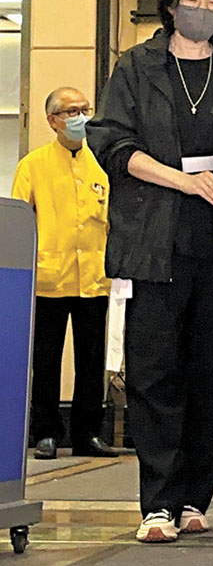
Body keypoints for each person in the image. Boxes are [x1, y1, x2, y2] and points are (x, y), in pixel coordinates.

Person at [86, 0, 213, 543]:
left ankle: (197, 495)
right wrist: (184, 180)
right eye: (191, 1)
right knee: (155, 372)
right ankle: (158, 502)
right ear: (169, 4)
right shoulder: (137, 66)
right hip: (155, 239)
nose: (201, 11)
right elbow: (112, 145)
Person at [11, 87, 117, 461]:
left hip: (93, 277)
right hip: (48, 279)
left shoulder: (102, 163)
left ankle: (88, 433)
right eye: (71, 111)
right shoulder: (33, 165)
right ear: (52, 120)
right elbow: (19, 221)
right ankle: (45, 432)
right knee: (46, 359)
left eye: (85, 109)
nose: (80, 117)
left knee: (91, 359)